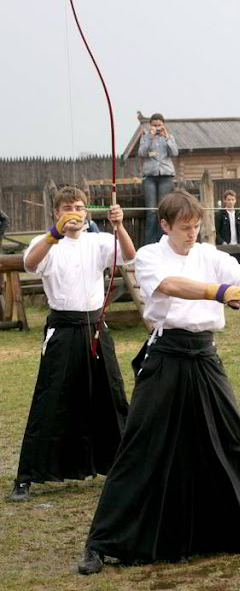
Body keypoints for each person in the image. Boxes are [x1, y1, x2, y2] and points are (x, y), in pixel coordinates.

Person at [78, 190, 240, 575]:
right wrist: (219, 292)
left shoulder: (208, 254)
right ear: (166, 225)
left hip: (204, 356)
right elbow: (171, 286)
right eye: (185, 228)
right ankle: (100, 543)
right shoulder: (150, 256)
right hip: (166, 356)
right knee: (140, 444)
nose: (192, 234)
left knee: (235, 439)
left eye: (196, 227)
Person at [10, 186, 135, 501]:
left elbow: (130, 256)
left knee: (112, 394)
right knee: (50, 399)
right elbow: (29, 263)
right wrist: (54, 233)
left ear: (85, 211)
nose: (74, 212)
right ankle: (27, 477)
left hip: (95, 328)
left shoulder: (98, 241)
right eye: (67, 207)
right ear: (56, 212)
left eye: (79, 207)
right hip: (63, 330)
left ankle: (126, 466)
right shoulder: (46, 242)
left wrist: (119, 226)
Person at [138, 112, 179, 245]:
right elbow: (142, 153)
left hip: (165, 176)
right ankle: (149, 243)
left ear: (163, 125)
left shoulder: (169, 137)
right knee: (151, 211)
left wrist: (166, 138)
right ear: (150, 125)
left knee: (163, 210)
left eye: (159, 125)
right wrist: (150, 137)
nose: (157, 127)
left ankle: (163, 241)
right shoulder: (145, 137)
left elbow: (174, 153)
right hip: (150, 176)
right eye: (154, 125)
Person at [215, 190, 240, 266]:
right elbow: (216, 231)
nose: (230, 202)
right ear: (224, 200)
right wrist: (222, 242)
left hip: (238, 246)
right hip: (226, 246)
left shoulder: (239, 213)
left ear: (235, 201)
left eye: (232, 200)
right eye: (228, 200)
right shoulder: (220, 214)